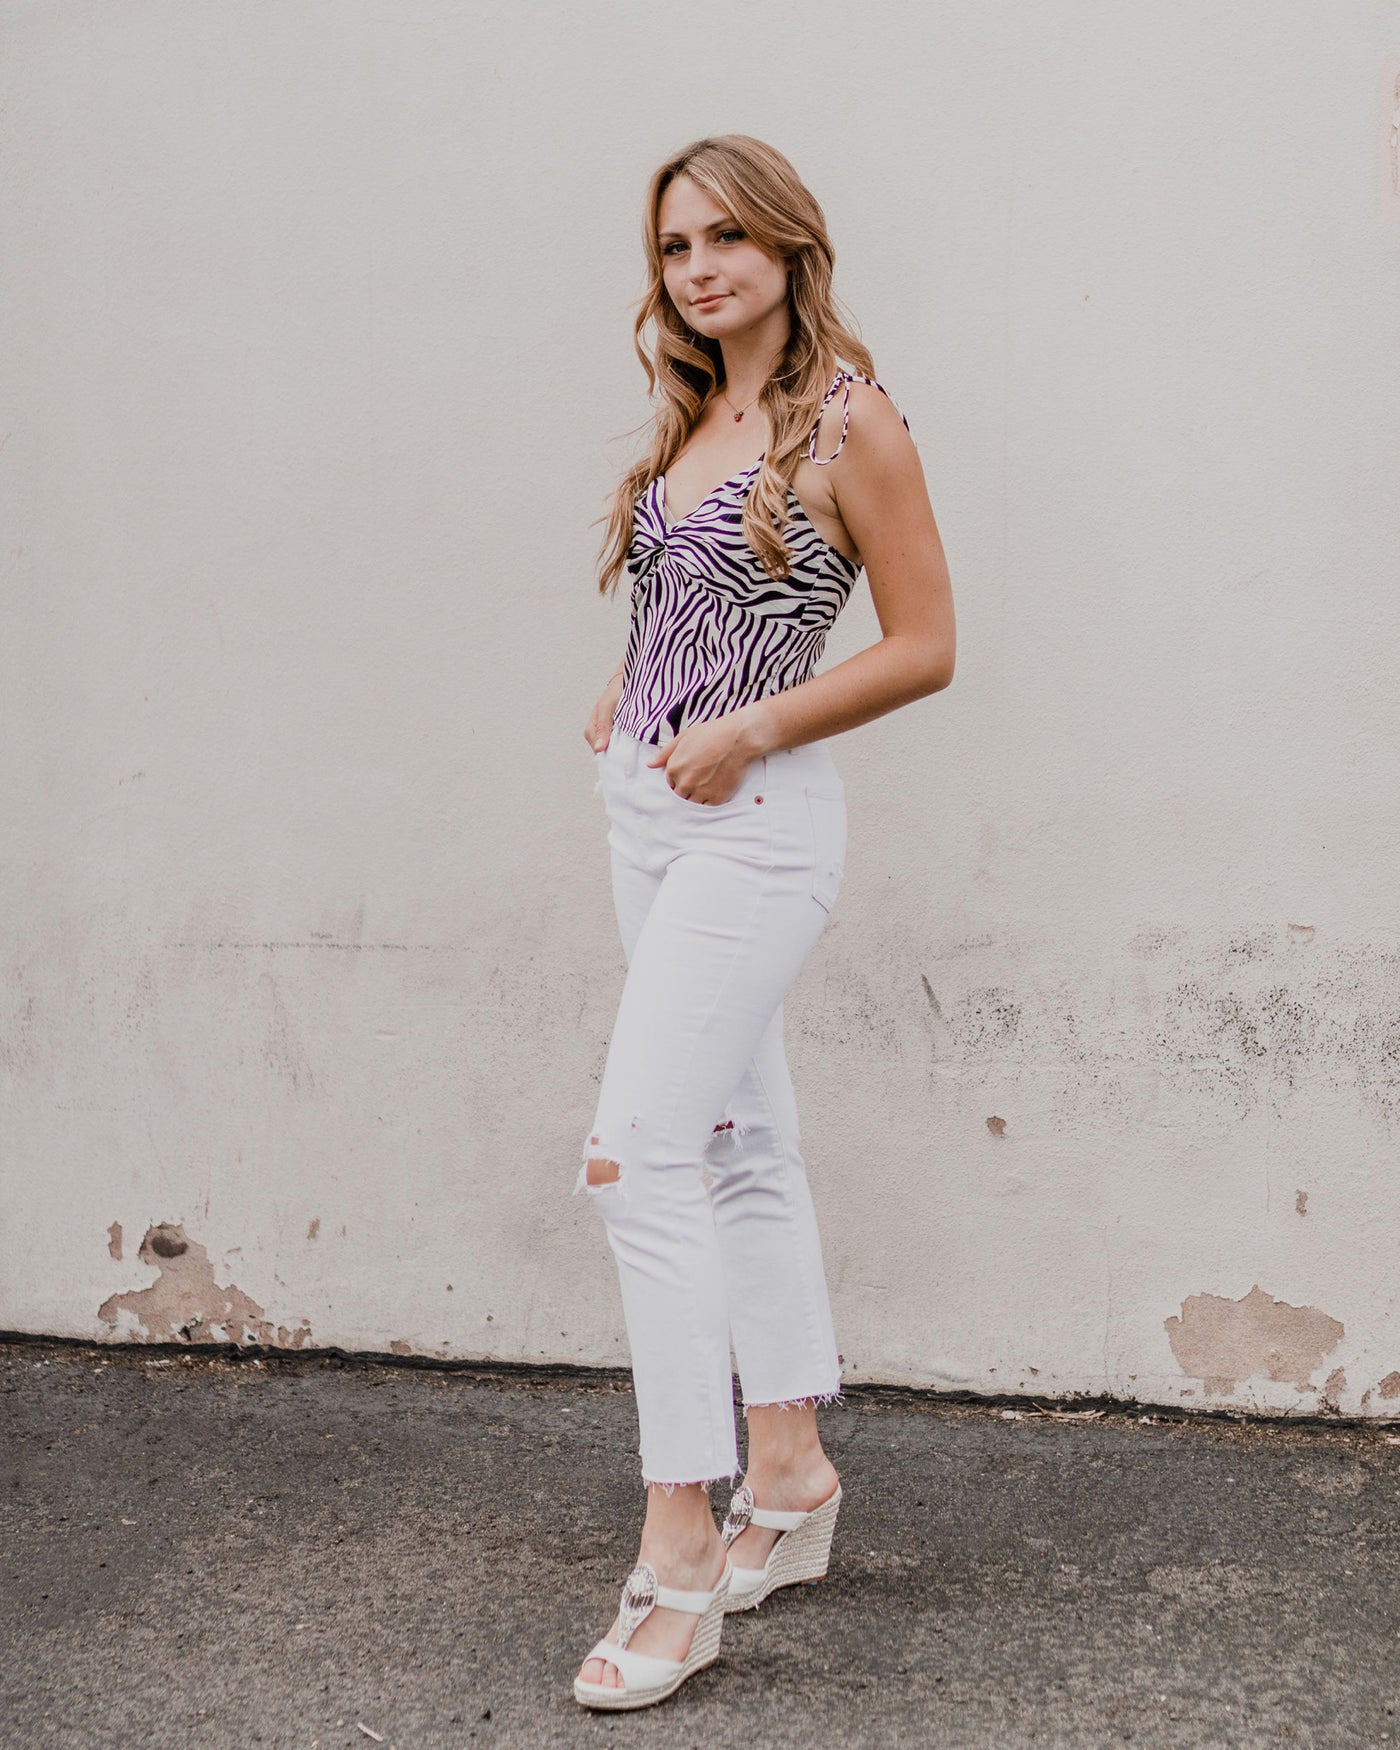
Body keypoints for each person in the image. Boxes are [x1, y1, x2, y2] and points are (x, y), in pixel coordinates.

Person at [571, 133, 955, 1712]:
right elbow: (695, 598)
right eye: (676, 246)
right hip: (649, 813)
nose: (702, 265)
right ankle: (785, 1473)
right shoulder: (697, 411)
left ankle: (676, 1558)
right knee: (737, 1143)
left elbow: (927, 643)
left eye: (730, 236)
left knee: (632, 1159)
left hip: (759, 826)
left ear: (794, 247)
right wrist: (638, 690)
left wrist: (756, 729)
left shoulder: (851, 418)